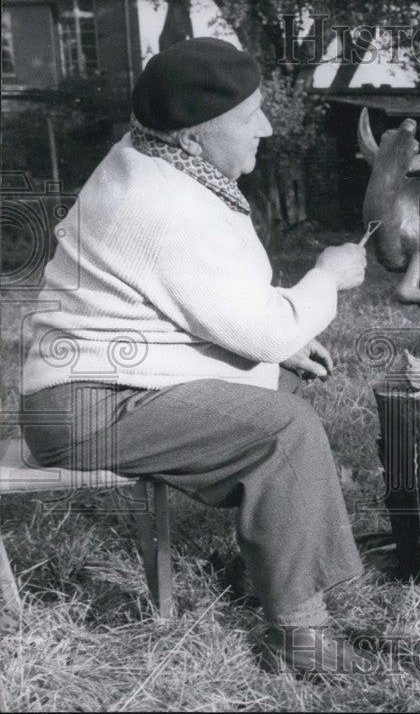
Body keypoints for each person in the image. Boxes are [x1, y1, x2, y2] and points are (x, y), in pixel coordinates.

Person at [19, 37, 368, 677]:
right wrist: (326, 275)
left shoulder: (158, 162)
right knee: (285, 430)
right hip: (86, 407)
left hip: (105, 384)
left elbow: (206, 308)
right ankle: (298, 635)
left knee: (280, 385)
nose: (264, 128)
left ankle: (268, 568)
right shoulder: (161, 204)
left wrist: (283, 342)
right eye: (248, 118)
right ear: (195, 137)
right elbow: (260, 331)